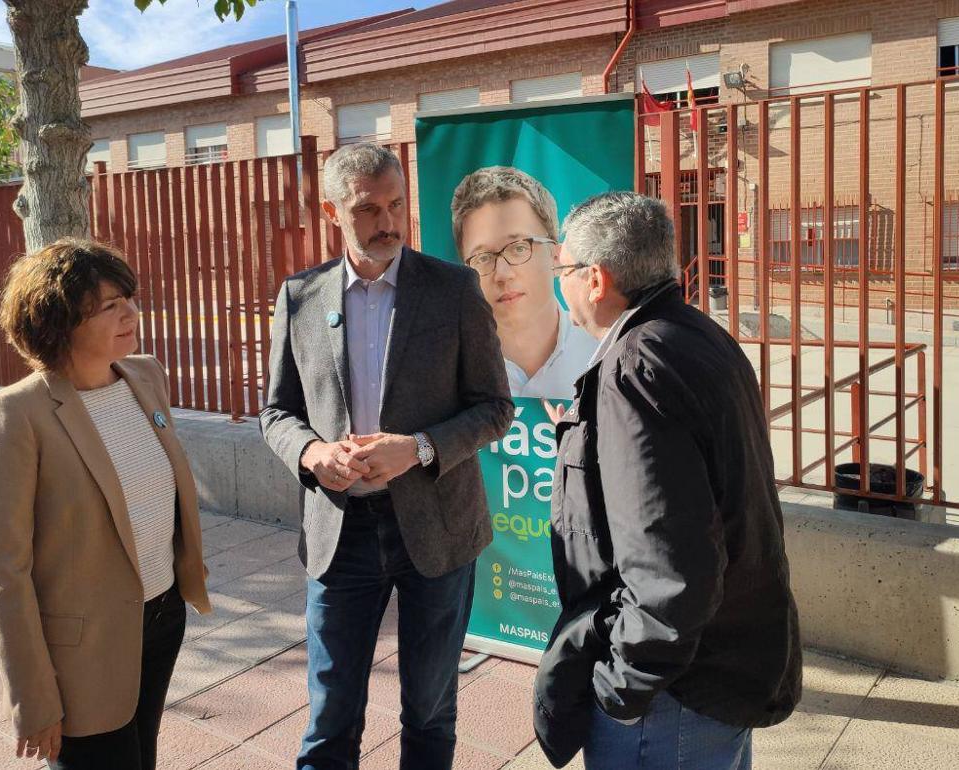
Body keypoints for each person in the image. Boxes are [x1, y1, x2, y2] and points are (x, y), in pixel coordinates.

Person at [260, 142, 512, 770]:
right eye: (368, 209)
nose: (389, 222)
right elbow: (275, 413)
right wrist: (314, 452)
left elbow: (494, 407)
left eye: (397, 204)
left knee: (429, 709)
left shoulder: (454, 290)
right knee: (330, 713)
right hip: (338, 534)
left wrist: (419, 448)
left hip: (435, 529)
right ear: (331, 211)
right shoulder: (300, 297)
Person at [533, 192, 802, 769]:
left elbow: (670, 567)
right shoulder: (696, 334)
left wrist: (623, 685)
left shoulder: (634, 365)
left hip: (674, 693)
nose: (562, 287)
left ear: (596, 279)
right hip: (722, 666)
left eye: (563, 271)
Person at [0, 239, 212, 769]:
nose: (131, 313)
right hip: (80, 648)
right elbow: (4, 571)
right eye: (110, 306)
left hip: (161, 615)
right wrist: (32, 699)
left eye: (129, 298)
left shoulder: (144, 376)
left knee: (139, 755)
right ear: (61, 322)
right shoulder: (16, 414)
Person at [451, 166, 597, 400]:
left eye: (519, 248)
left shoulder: (604, 354)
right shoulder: (449, 369)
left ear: (556, 256)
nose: (503, 274)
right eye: (483, 258)